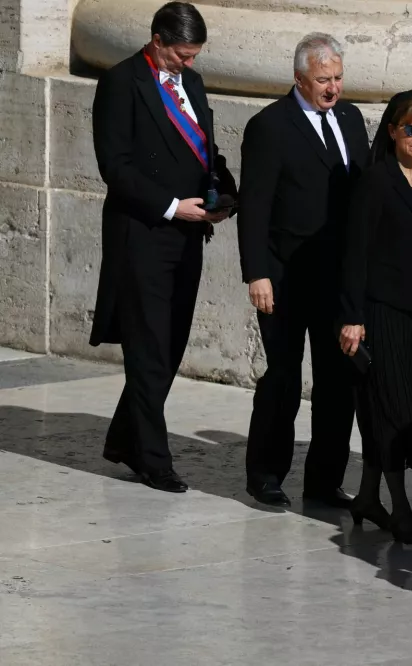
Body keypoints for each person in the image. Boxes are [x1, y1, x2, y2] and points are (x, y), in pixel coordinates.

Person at [92, 2, 237, 493]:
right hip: (144, 234)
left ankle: (124, 438)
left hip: (189, 234)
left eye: (193, 56)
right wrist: (174, 206)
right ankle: (154, 459)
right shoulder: (121, 82)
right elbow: (116, 167)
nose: (188, 64)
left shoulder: (191, 84)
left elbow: (205, 151)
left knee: (170, 345)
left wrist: (225, 193)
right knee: (147, 346)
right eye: (181, 55)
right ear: (157, 41)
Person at [237, 33, 370, 507]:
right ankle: (266, 472)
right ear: (298, 79)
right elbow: (254, 207)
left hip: (338, 281)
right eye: (322, 79)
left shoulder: (352, 118)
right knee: (284, 378)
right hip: (285, 279)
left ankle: (324, 480)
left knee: (338, 382)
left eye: (337, 77)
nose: (332, 88)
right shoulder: (270, 126)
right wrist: (257, 273)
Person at [338, 90, 412, 544]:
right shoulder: (375, 181)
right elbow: (355, 255)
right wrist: (351, 317)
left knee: (404, 409)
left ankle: (368, 498)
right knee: (388, 410)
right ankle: (400, 508)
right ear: (392, 131)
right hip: (379, 315)